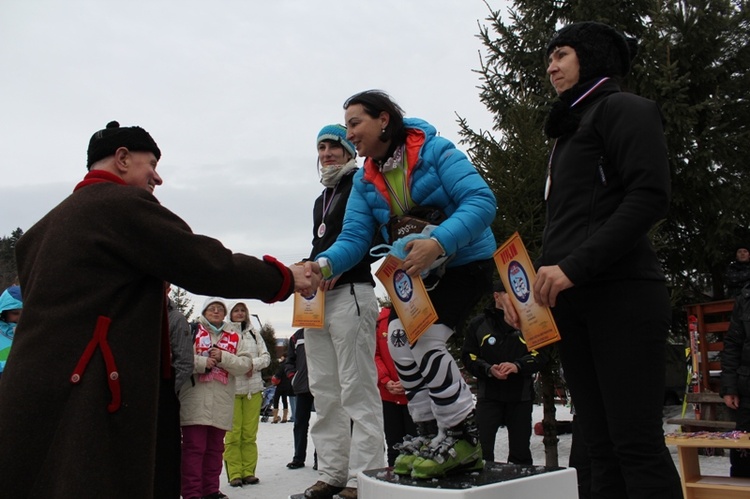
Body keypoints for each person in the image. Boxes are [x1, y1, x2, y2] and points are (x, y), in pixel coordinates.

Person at [0, 121, 321, 499]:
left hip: (34, 385)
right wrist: (283, 277)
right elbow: (203, 261)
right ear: (122, 159)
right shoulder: (119, 206)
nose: (158, 176)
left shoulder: (44, 228)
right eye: (150, 163)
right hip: (91, 387)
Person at [504, 22, 683, 497]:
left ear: (593, 58)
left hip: (623, 293)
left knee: (635, 443)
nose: (551, 66)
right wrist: (528, 299)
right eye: (549, 57)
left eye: (561, 54)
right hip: (573, 302)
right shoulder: (568, 134)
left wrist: (575, 267)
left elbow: (649, 196)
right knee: (595, 444)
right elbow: (571, 226)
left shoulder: (624, 108)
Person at [315, 92, 497, 481]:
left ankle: (463, 437)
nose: (349, 134)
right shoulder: (366, 178)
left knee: (426, 338)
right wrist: (322, 265)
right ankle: (431, 434)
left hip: (465, 261)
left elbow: (481, 201)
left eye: (353, 123)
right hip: (416, 272)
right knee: (398, 338)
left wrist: (439, 242)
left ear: (383, 120)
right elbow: (355, 238)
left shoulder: (435, 151)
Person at [302, 123, 384, 499]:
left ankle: (363, 475)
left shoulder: (362, 184)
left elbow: (369, 238)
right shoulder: (322, 198)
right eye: (321, 147)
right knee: (324, 389)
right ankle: (333, 470)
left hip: (351, 290)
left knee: (357, 388)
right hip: (318, 299)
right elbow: (323, 239)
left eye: (335, 145)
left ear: (350, 151)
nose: (327, 153)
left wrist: (334, 266)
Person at [462, 281, 548, 464]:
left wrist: (518, 365)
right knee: (482, 451)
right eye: (509, 293)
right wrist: (488, 369)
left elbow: (541, 355)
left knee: (520, 453)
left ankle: (519, 490)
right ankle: (484, 489)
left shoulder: (529, 320)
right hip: (489, 397)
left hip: (520, 397)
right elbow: (468, 357)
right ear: (497, 296)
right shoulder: (479, 324)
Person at [179, 298, 252, 499]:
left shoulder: (235, 335)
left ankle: (210, 490)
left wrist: (223, 357)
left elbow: (245, 365)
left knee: (215, 449)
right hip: (195, 397)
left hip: (222, 399)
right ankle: (192, 493)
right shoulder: (191, 330)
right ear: (204, 311)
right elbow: (179, 358)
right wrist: (202, 362)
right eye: (212, 308)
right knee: (194, 448)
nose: (217, 312)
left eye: (221, 309)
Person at [223, 301, 270, 487]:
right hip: (232, 390)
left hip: (253, 390)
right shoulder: (225, 333)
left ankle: (249, 471)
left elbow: (266, 357)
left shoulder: (254, 333)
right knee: (233, 435)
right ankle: (234, 473)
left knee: (249, 435)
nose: (240, 313)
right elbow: (223, 357)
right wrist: (241, 366)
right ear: (230, 313)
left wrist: (252, 365)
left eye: (243, 310)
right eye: (236, 310)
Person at [374, 305, 416, 467]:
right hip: (389, 395)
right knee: (394, 444)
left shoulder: (417, 315)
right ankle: (394, 480)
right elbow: (373, 353)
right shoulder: (380, 321)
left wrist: (410, 379)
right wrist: (385, 380)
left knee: (417, 444)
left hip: (415, 396)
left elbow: (426, 350)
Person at [720, 283, 750, 477]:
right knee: (743, 459)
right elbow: (732, 343)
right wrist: (729, 387)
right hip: (747, 389)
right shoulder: (745, 297)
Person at [285, 328, 316, 470]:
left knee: (324, 423)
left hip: (323, 385)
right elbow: (289, 360)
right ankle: (298, 458)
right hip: (303, 386)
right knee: (300, 423)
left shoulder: (325, 330)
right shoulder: (296, 336)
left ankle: (321, 459)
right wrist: (293, 376)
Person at [0, 284, 22, 380]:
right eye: (15, 313)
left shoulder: (35, 332)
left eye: (25, 312)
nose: (21, 318)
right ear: (4, 313)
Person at [271, 354, 293, 423]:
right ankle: (285, 417)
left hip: (280, 385)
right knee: (284, 400)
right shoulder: (289, 365)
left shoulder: (282, 365)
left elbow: (278, 375)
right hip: (287, 385)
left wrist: (274, 377)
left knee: (276, 400)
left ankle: (275, 417)